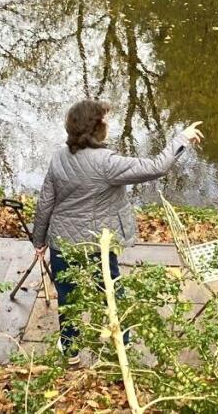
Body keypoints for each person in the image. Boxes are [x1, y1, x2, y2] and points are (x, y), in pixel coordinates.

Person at [31, 99, 204, 359]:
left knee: (67, 296)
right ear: (96, 128)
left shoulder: (59, 157)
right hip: (96, 244)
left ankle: (70, 348)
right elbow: (156, 167)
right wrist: (182, 138)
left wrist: (39, 241)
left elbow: (46, 201)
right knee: (110, 291)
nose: (109, 124)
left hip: (62, 242)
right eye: (105, 120)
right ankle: (121, 344)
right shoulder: (107, 163)